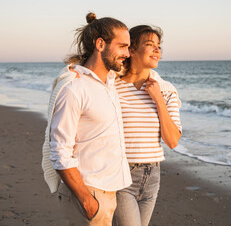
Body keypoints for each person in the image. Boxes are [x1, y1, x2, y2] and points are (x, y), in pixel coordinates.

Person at [42, 12, 132, 226]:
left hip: (109, 192)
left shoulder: (109, 83)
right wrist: (87, 201)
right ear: (100, 44)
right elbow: (59, 151)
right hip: (87, 194)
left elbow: (140, 70)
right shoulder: (74, 88)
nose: (128, 54)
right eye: (123, 46)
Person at [113, 25, 182, 226]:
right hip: (122, 175)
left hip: (152, 176)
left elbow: (172, 141)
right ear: (131, 50)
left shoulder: (167, 90)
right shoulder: (112, 87)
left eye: (158, 46)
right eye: (150, 44)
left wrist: (158, 100)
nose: (157, 50)